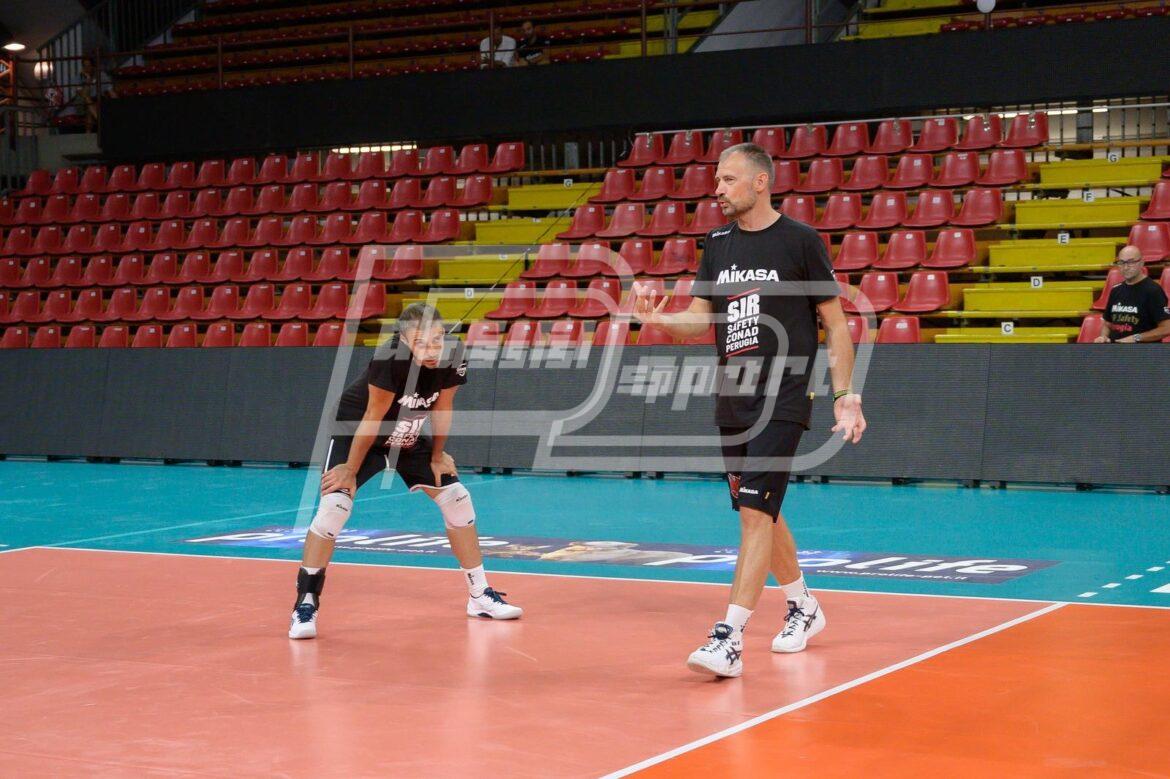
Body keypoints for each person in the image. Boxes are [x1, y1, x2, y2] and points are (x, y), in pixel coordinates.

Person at [631, 142, 866, 678]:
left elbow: (836, 324)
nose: (718, 189)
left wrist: (845, 394)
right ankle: (803, 605)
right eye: (718, 180)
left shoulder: (800, 241)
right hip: (733, 395)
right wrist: (659, 320)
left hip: (784, 395)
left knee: (756, 513)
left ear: (761, 182)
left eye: (728, 179)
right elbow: (700, 320)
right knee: (758, 508)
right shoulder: (716, 244)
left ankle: (729, 637)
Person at [288, 303, 522, 639]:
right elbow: (373, 416)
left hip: (406, 433)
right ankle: (305, 604)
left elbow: (443, 406)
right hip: (358, 431)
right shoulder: (390, 358)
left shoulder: (453, 354)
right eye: (421, 342)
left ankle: (479, 595)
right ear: (404, 340)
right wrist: (350, 469)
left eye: (437, 339)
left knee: (457, 498)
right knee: (334, 508)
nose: (432, 349)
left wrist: (437, 456)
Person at [1094, 244, 1170, 343]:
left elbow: (1166, 328)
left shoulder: (1153, 290)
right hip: (1116, 350)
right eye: (1121, 263)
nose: (1125, 267)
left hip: (1142, 351)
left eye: (1131, 262)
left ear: (1142, 263)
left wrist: (1136, 338)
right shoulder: (1115, 290)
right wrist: (1103, 337)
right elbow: (1107, 324)